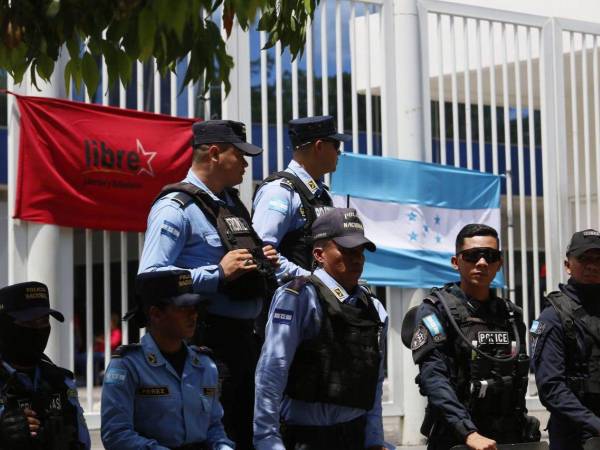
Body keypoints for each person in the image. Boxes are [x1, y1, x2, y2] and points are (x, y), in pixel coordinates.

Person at [138, 119, 279, 449]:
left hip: (245, 342)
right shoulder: (176, 208)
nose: (246, 163)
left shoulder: (231, 203)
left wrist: (261, 258)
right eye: (240, 155)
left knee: (243, 436)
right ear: (214, 153)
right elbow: (151, 278)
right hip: (206, 342)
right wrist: (217, 274)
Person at [254, 208, 391, 450]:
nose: (357, 258)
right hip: (306, 437)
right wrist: (267, 438)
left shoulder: (375, 309)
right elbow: (272, 371)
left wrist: (374, 439)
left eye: (360, 251)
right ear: (319, 254)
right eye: (347, 251)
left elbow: (375, 381)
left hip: (354, 435)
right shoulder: (298, 297)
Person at [402, 224, 540, 450]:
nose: (482, 262)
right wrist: (468, 433)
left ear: (499, 263)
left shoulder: (511, 315)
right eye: (472, 256)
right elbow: (434, 378)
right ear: (456, 262)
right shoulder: (437, 310)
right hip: (457, 438)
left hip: (506, 437)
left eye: (490, 256)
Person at [101, 269, 234, 450]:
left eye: (195, 307)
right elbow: (116, 434)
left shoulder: (205, 364)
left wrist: (223, 447)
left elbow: (213, 426)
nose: (193, 315)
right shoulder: (127, 365)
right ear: (156, 314)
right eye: (183, 308)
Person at [252, 115, 351, 279]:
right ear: (319, 146)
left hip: (316, 297)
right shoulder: (280, 192)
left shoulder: (322, 193)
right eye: (336, 146)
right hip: (290, 299)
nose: (339, 153)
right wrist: (314, 282)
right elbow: (262, 253)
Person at [0, 281, 91, 450]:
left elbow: (83, 442)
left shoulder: (60, 381)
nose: (37, 330)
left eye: (43, 322)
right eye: (28, 324)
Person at [531, 229, 600, 450]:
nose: (592, 265)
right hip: (575, 435)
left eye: (599, 259)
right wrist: (596, 424)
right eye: (584, 259)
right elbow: (551, 388)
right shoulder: (552, 317)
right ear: (568, 265)